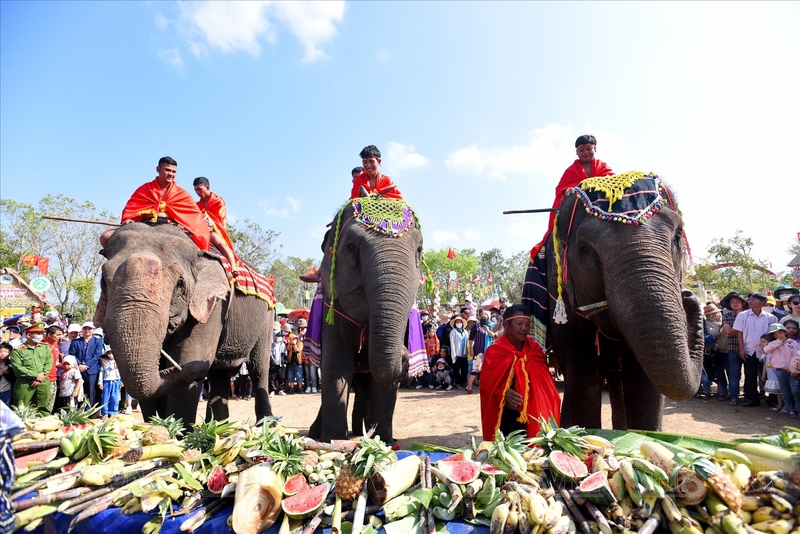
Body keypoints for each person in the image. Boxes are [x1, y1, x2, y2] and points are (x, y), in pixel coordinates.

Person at [521, 135, 614, 346]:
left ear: (595, 149)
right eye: (582, 150)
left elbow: (613, 186)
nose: (586, 153)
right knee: (546, 251)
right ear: (577, 153)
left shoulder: (604, 167)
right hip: (578, 218)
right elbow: (562, 192)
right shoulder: (571, 171)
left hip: (603, 217)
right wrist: (575, 191)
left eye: (589, 149)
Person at [480, 305, 561, 440]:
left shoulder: (535, 350)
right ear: (506, 325)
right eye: (519, 324)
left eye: (527, 324)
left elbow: (545, 385)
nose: (524, 328)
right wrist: (503, 392)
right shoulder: (494, 352)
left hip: (533, 415)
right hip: (506, 417)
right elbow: (487, 386)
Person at [732, 292, 778, 407]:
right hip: (749, 350)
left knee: (769, 375)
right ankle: (751, 398)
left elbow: (774, 335)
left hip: (766, 351)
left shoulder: (771, 318)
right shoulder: (742, 315)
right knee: (750, 375)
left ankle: (772, 398)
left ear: (762, 302)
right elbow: (739, 333)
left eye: (754, 300)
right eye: (750, 299)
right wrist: (741, 349)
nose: (750, 301)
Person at [192, 176, 240, 275]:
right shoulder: (197, 204)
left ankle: (233, 266)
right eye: (196, 190)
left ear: (207, 187)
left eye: (200, 189)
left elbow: (218, 218)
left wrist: (205, 218)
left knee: (218, 242)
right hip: (200, 229)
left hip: (215, 229)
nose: (197, 192)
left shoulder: (218, 201)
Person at [9, 322, 53, 413]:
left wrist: (41, 377)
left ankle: (43, 426)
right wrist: (36, 375)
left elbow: (49, 362)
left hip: (43, 381)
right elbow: (18, 368)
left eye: (42, 333)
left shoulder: (45, 347)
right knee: (21, 409)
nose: (41, 335)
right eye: (38, 333)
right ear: (29, 335)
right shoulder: (18, 350)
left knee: (43, 408)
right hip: (25, 383)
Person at [763, 324, 798, 418]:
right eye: (775, 334)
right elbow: (766, 350)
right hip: (780, 370)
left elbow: (796, 357)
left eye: (780, 332)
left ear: (784, 332)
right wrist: (778, 342)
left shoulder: (793, 343)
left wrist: (794, 369)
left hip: (792, 371)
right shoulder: (773, 344)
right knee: (784, 390)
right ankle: (790, 409)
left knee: (795, 390)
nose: (778, 335)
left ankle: (798, 409)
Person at [721, 292, 748, 405]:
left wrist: (736, 329)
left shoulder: (748, 315)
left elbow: (732, 330)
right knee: (734, 374)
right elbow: (728, 331)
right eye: (732, 302)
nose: (735, 304)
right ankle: (733, 396)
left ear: (743, 303)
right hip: (733, 349)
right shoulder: (727, 316)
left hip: (749, 348)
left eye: (737, 302)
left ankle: (749, 395)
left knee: (750, 374)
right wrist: (744, 329)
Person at [68, 322, 104, 407]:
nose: (87, 330)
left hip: (91, 370)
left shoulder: (98, 341)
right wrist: (79, 365)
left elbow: (97, 355)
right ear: (82, 330)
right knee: (77, 389)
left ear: (93, 330)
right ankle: (76, 409)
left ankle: (88, 411)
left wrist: (86, 365)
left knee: (90, 391)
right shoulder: (75, 341)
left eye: (89, 328)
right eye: (85, 328)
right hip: (77, 369)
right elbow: (72, 354)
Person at [99, 346, 121, 417]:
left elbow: (122, 373)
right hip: (107, 381)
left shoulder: (119, 362)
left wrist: (122, 381)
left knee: (115, 398)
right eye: (109, 353)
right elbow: (101, 372)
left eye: (112, 352)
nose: (111, 354)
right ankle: (104, 412)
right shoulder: (104, 362)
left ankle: (113, 412)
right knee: (105, 397)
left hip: (116, 381)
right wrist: (100, 382)